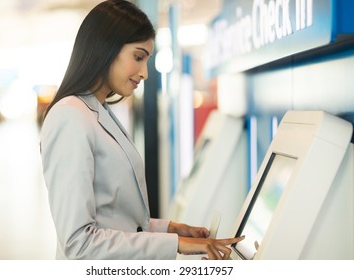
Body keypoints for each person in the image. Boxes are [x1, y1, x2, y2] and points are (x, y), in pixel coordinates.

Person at [40, 0, 244, 260]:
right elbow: (79, 243)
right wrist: (176, 244)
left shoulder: (97, 111)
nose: (144, 73)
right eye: (138, 57)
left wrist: (170, 229)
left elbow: (114, 218)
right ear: (106, 47)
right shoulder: (70, 115)